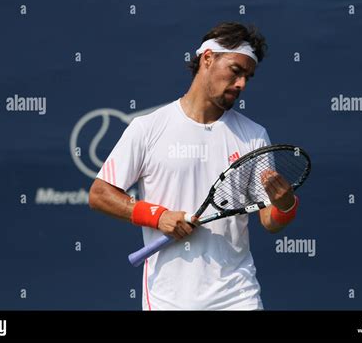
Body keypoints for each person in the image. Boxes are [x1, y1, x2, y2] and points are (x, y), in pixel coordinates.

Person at [88, 22, 299, 310]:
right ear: (208, 58)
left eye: (248, 77)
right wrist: (157, 216)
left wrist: (285, 204)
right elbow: (99, 194)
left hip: (238, 296)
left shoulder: (255, 136)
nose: (241, 85)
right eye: (236, 71)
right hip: (168, 300)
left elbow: (269, 221)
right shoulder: (148, 128)